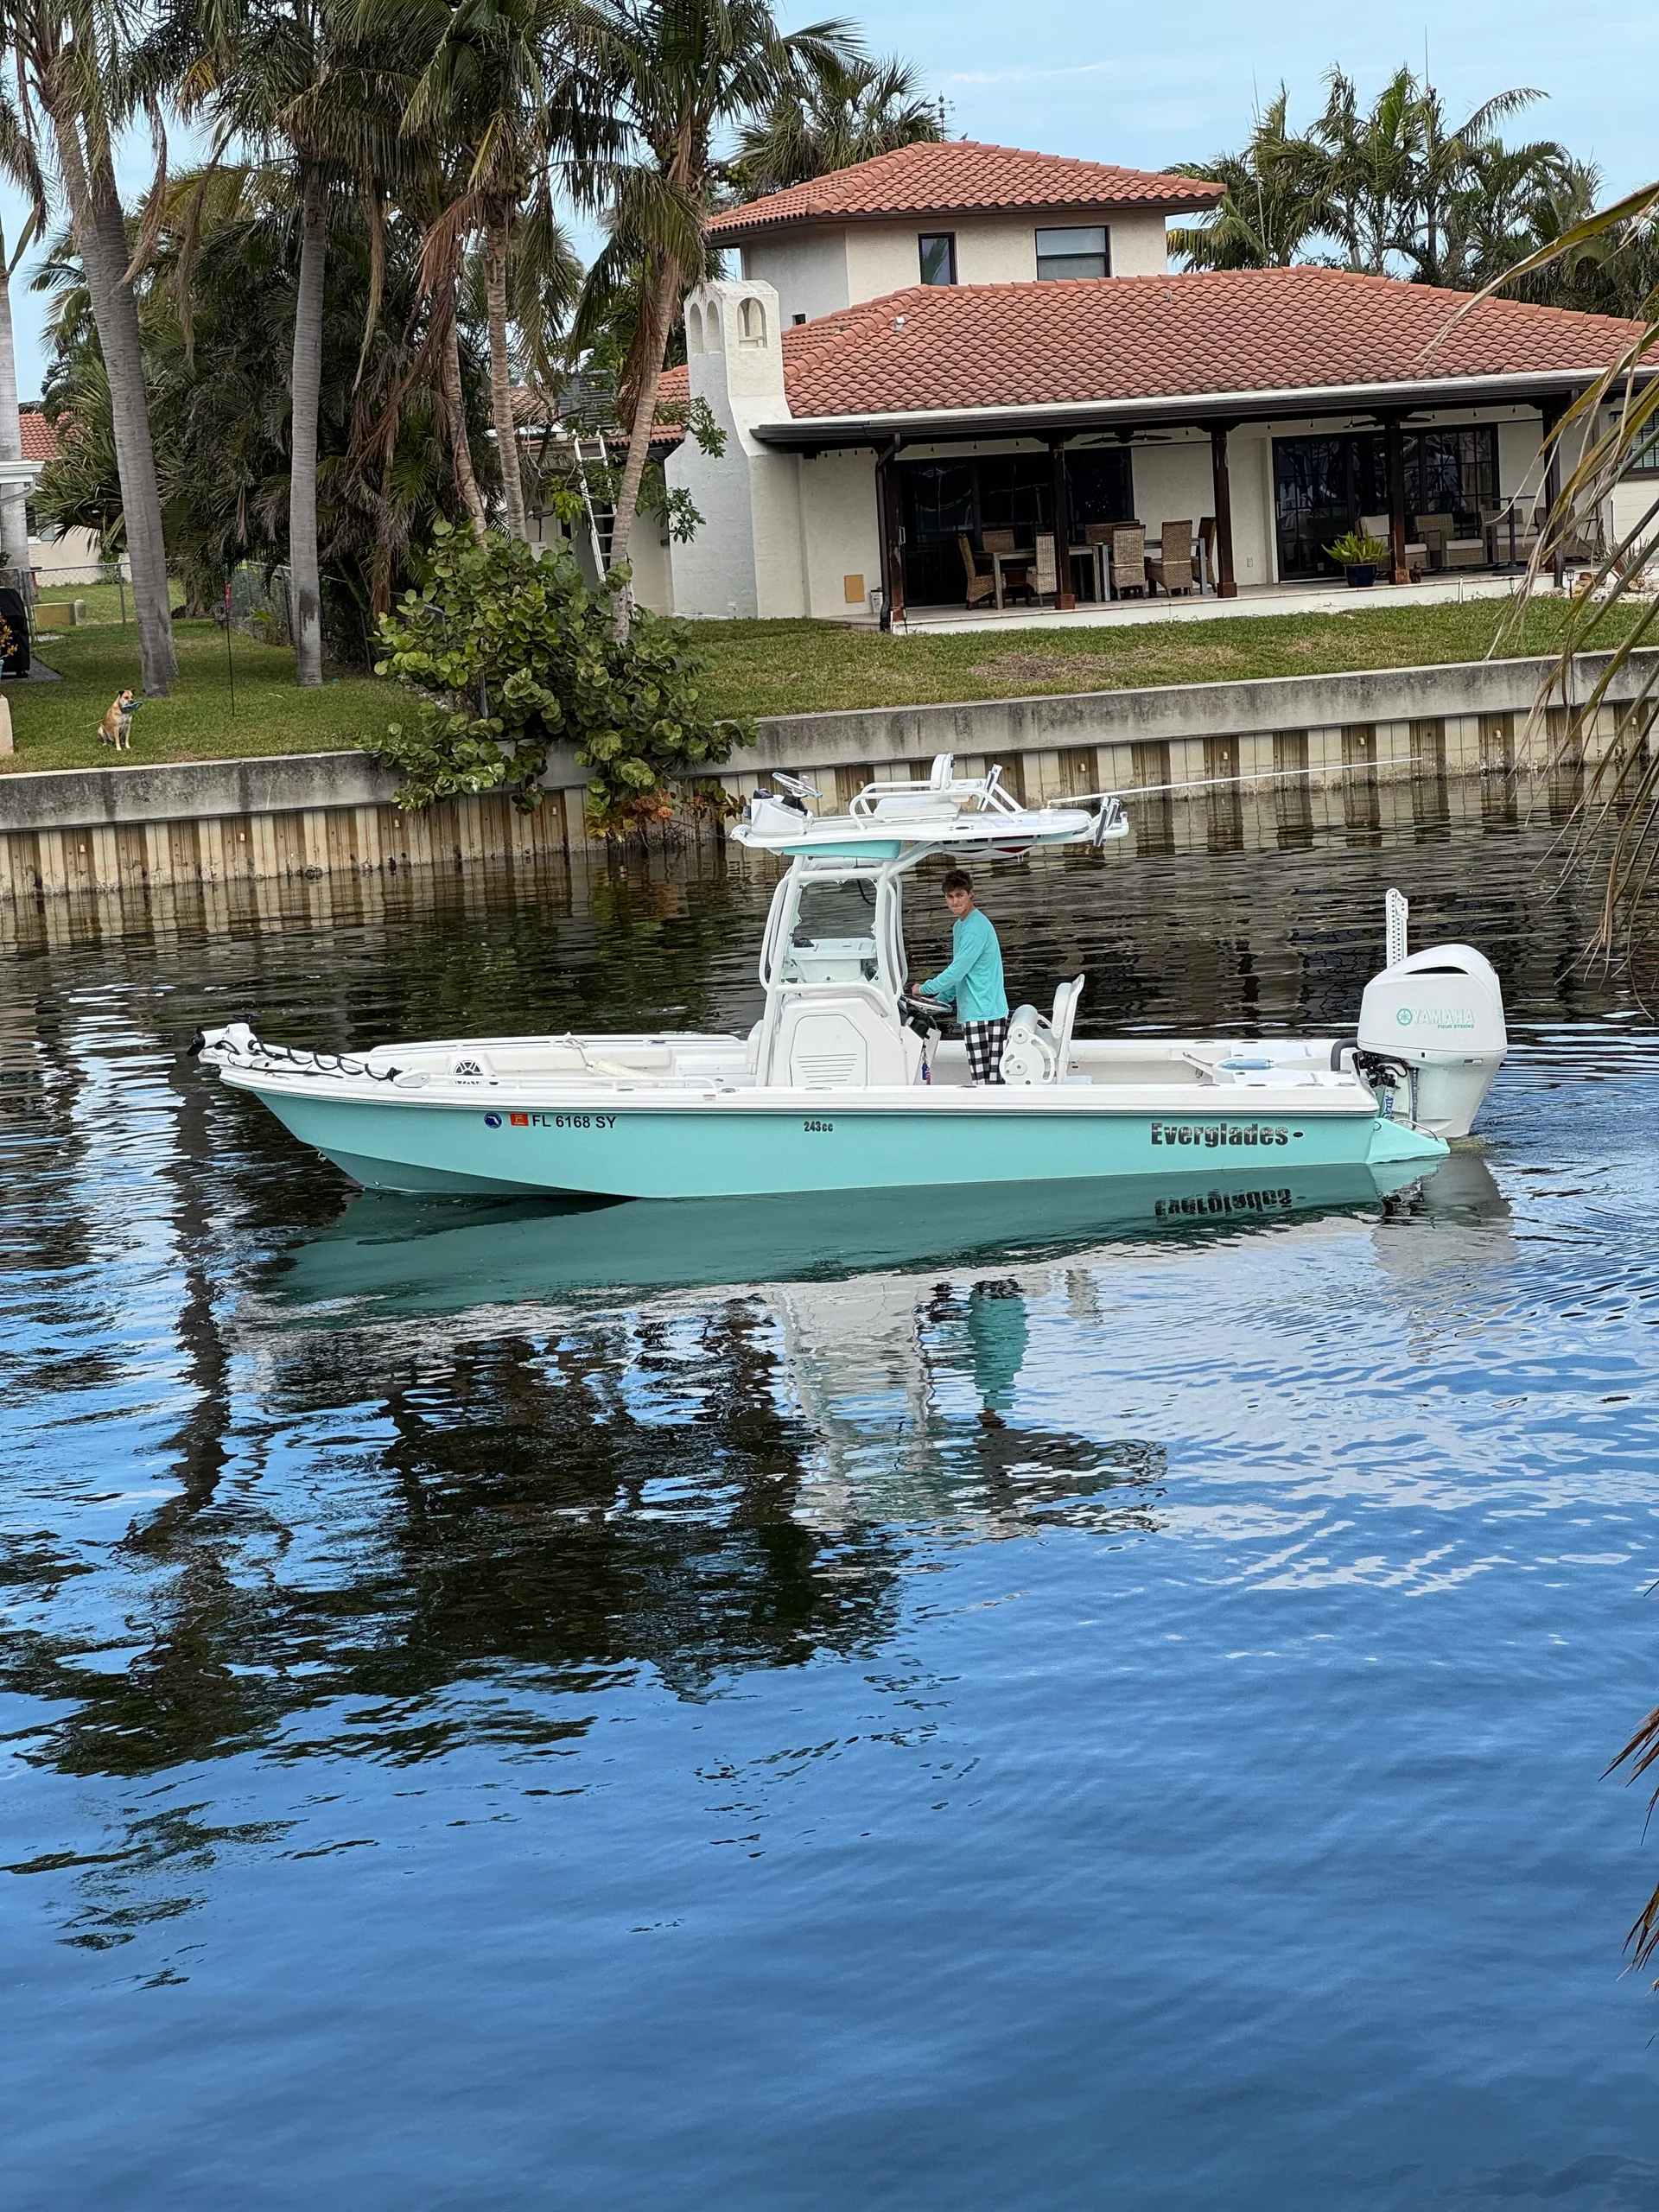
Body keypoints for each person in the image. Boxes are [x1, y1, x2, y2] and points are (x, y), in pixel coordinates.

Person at [918, 868, 1009, 1084]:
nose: (955, 901)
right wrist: (940, 1000)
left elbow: (957, 971)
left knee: (986, 1082)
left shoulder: (975, 928)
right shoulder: (960, 926)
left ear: (971, 894)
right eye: (950, 896)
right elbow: (961, 971)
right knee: (986, 1079)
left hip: (984, 1012)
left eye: (960, 895)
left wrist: (923, 989)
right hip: (977, 1010)